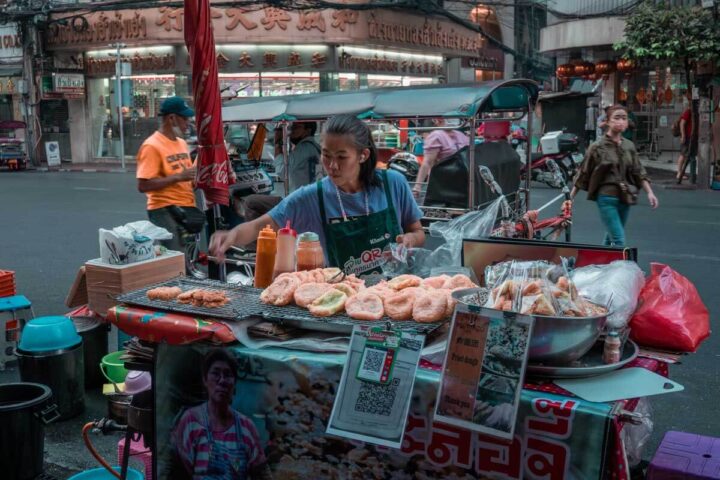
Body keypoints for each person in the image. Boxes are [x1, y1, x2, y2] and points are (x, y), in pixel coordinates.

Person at [210, 114, 425, 276]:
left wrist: (409, 239)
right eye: (326, 155)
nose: (332, 166)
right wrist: (232, 236)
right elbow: (259, 226)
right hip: (341, 302)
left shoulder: (392, 184)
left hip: (395, 295)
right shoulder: (312, 197)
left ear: (363, 155)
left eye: (342, 157)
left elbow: (418, 232)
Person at [172, 349, 272, 479]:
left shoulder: (246, 427)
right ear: (205, 380)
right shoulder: (190, 421)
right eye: (215, 373)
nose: (222, 380)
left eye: (228, 374)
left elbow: (262, 473)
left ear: (234, 382)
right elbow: (180, 472)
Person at [570, 104, 659, 247]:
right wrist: (570, 197)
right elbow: (583, 172)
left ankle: (602, 265)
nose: (621, 121)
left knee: (611, 237)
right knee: (618, 239)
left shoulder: (629, 146)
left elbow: (639, 170)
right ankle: (620, 268)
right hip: (606, 198)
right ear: (608, 121)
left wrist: (650, 193)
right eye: (617, 118)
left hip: (625, 196)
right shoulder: (597, 146)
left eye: (624, 118)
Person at [136, 96, 198, 252]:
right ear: (172, 118)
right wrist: (179, 177)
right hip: (164, 209)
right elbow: (143, 185)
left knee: (189, 257)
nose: (188, 124)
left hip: (186, 208)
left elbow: (187, 179)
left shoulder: (182, 143)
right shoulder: (152, 146)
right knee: (175, 259)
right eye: (185, 119)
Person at [242, 122, 321, 222]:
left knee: (250, 202)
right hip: (306, 200)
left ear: (308, 131)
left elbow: (282, 170)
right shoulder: (315, 148)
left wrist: (277, 142)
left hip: (297, 202)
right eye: (292, 128)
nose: (292, 131)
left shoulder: (304, 148)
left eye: (296, 127)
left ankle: (256, 236)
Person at [412, 119, 469, 198]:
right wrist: (418, 186)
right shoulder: (436, 136)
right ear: (437, 121)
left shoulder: (461, 135)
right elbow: (427, 162)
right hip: (441, 183)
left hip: (462, 182)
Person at [676, 103, 693, 182]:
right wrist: (683, 136)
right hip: (687, 137)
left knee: (686, 155)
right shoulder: (688, 111)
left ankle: (681, 172)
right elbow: (682, 123)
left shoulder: (693, 113)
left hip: (691, 137)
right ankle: (679, 173)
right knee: (683, 154)